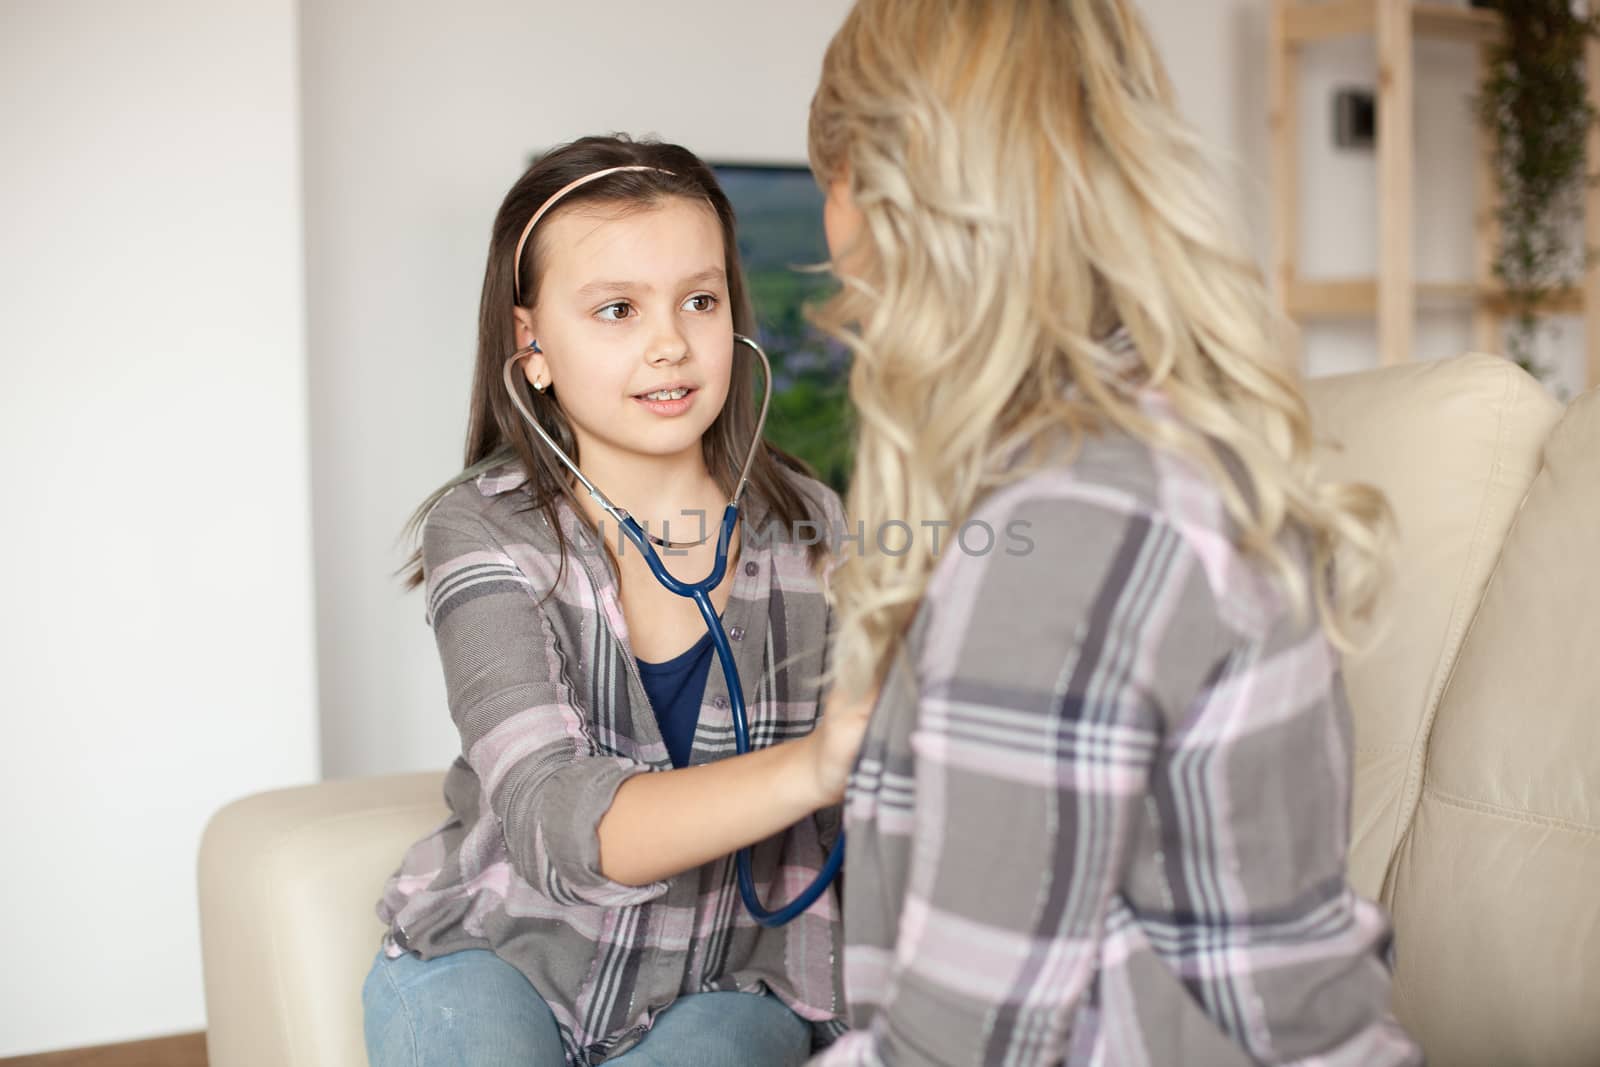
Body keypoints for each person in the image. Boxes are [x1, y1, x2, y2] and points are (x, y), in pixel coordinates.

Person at [801, 1, 1425, 1064]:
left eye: (830, 184)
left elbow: (958, 1051)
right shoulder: (1148, 453)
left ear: (876, 194)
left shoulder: (1064, 542)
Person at [363, 135, 850, 1067]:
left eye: (699, 300)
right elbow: (553, 819)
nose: (671, 341)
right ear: (531, 344)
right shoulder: (483, 531)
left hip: (728, 974)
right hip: (504, 952)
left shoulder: (814, 524)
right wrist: (824, 761)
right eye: (617, 309)